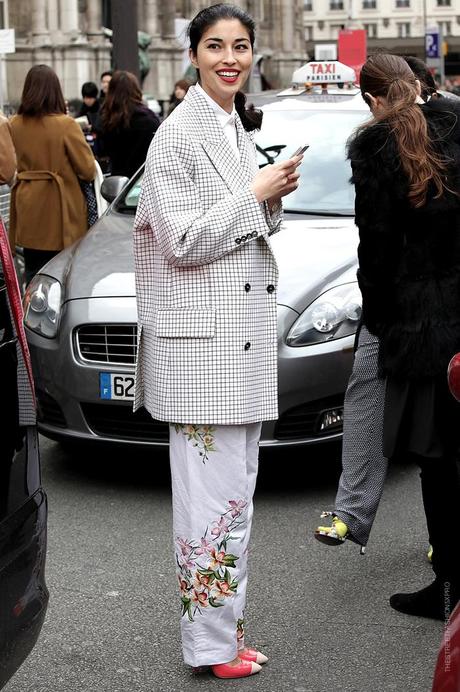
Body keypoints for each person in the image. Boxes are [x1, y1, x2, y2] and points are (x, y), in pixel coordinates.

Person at [133, 3, 302, 679]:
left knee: (231, 501)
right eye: (215, 46)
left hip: (229, 347)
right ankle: (208, 646)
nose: (229, 57)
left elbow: (232, 218)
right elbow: (180, 241)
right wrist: (256, 191)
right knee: (210, 508)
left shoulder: (229, 122)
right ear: (194, 54)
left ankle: (223, 637)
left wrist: (270, 192)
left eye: (238, 46)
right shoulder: (177, 134)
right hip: (203, 351)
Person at [321, 53, 460, 621]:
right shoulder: (455, 121)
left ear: (372, 99)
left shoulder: (377, 150)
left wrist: (379, 320)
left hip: (419, 326)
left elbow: (374, 254)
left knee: (436, 458)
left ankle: (449, 587)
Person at [9, 65, 95, 284]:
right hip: (60, 208)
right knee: (64, 274)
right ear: (55, 90)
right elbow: (87, 169)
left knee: (33, 270)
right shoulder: (65, 125)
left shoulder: (15, 124)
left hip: (28, 205)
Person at [100, 70, 159, 179]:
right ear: (136, 89)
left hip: (117, 184)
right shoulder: (148, 119)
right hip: (143, 182)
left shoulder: (107, 119)